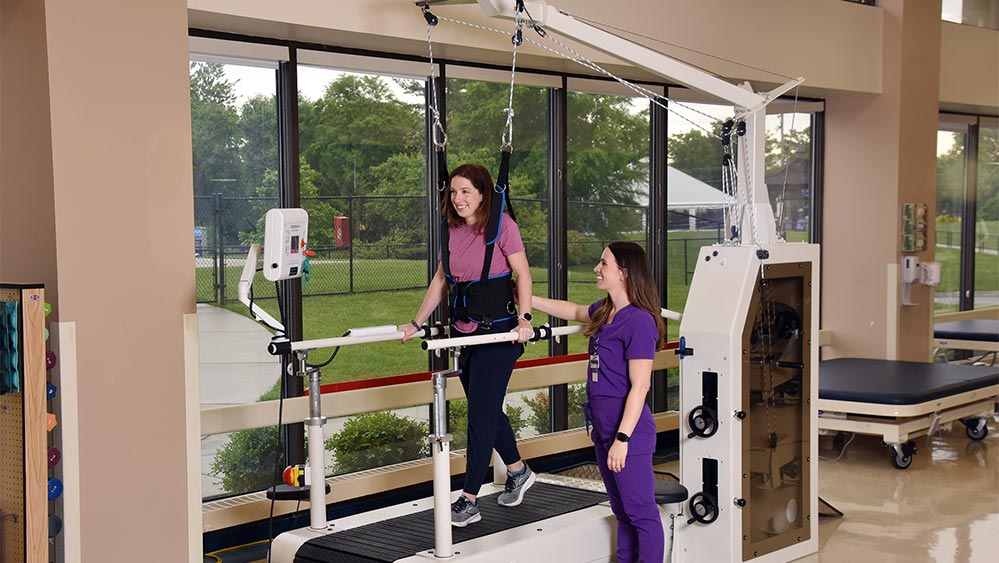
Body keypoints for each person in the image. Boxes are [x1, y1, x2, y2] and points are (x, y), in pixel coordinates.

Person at [398, 163, 535, 528]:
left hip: (499, 334)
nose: (458, 199)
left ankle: (470, 498)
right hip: (464, 333)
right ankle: (518, 471)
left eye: (466, 192)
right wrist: (416, 322)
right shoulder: (449, 228)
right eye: (454, 192)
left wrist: (525, 319)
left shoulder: (503, 226)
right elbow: (442, 279)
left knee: (479, 416)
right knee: (484, 408)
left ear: (483, 194)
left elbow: (522, 273)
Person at [531, 241, 667, 563]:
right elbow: (574, 311)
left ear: (624, 273)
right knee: (622, 511)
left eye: (604, 263)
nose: (597, 268)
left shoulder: (639, 321)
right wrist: (527, 299)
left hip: (628, 433)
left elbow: (641, 386)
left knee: (641, 512)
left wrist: (622, 439)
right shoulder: (606, 311)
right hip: (603, 429)